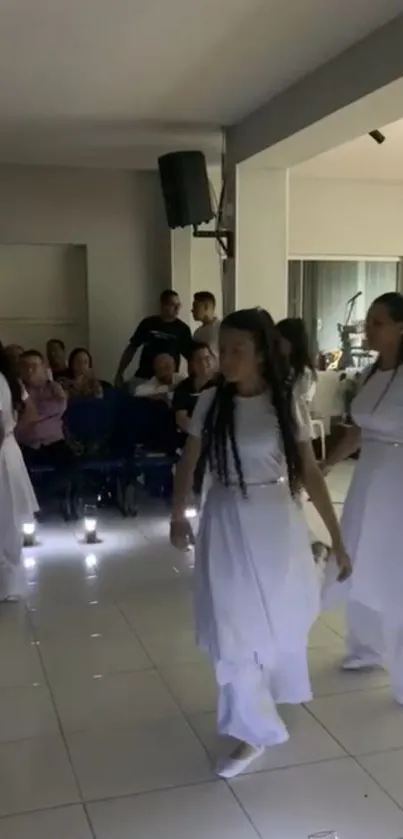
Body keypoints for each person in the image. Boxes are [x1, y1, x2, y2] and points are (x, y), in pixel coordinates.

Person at [170, 307, 351, 779]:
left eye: (237, 351)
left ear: (260, 355)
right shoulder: (212, 402)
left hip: (274, 523)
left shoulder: (283, 401)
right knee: (230, 625)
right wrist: (177, 514)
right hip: (226, 521)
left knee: (269, 619)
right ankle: (254, 729)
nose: (225, 360)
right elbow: (189, 463)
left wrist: (337, 537)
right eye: (222, 350)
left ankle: (258, 702)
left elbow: (309, 471)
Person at [322, 291, 403, 702]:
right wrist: (327, 464)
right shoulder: (372, 373)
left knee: (393, 566)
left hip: (398, 480)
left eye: (378, 323)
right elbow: (356, 429)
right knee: (357, 555)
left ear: (400, 327)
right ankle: (364, 647)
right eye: (368, 322)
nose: (368, 330)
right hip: (368, 475)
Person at [0, 342, 38, 601]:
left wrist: (12, 432)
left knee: (6, 520)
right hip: (7, 447)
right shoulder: (8, 379)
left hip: (2, 450)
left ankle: (8, 584)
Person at [18, 350, 75, 501]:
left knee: (70, 466)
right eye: (25, 366)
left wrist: (32, 413)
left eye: (34, 365)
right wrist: (42, 414)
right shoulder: (17, 389)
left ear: (43, 367)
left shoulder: (53, 387)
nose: (30, 370)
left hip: (54, 442)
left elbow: (60, 406)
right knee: (18, 469)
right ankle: (30, 500)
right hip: (27, 443)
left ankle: (42, 496)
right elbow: (16, 415)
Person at [115, 290, 192, 387]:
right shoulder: (148, 323)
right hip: (144, 377)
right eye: (172, 304)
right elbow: (132, 348)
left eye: (178, 305)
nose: (177, 308)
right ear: (163, 305)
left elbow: (190, 357)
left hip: (168, 381)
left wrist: (191, 380)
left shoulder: (183, 329)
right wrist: (119, 373)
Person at [277, 317, 317, 436]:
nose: (277, 343)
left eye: (280, 338)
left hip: (297, 426)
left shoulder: (304, 373)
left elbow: (300, 402)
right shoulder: (280, 367)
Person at [172, 341, 216, 434]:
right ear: (192, 364)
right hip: (192, 435)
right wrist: (199, 434)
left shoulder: (223, 384)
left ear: (213, 359)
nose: (203, 363)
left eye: (207, 358)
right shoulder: (184, 387)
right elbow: (181, 419)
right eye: (199, 360)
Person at [192, 291, 220, 361]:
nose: (192, 310)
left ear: (206, 307)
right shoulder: (197, 334)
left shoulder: (222, 329)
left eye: (195, 307)